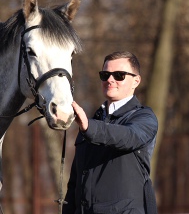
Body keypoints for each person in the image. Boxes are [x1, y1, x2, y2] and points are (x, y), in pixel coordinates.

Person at [63, 51, 158, 214]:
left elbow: (129, 136)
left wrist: (89, 127)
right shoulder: (92, 122)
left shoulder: (144, 118)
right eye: (105, 75)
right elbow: (74, 183)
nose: (110, 80)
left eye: (119, 75)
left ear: (136, 81)